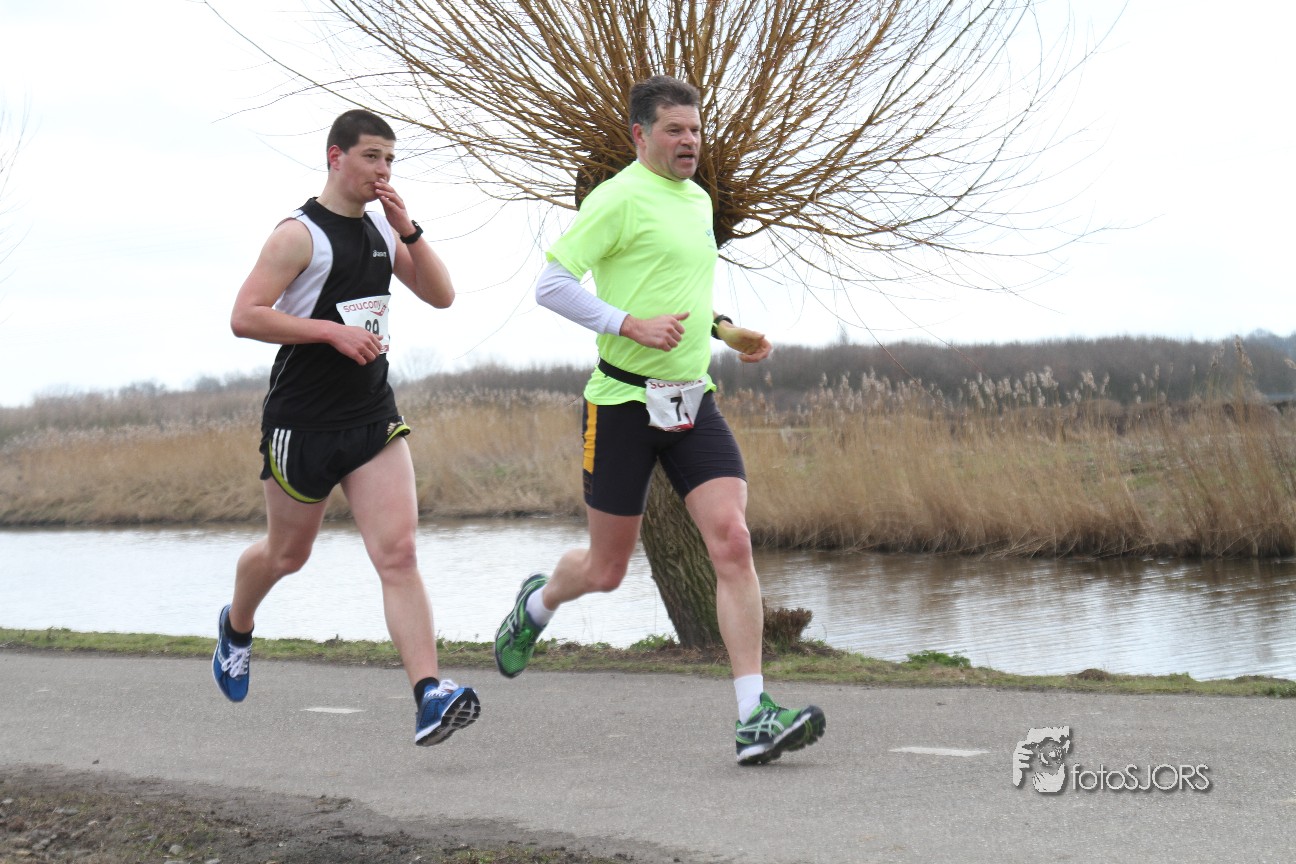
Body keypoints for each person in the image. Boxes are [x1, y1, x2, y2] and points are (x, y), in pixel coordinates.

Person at [492, 75, 826, 765]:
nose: (689, 142)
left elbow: (680, 290)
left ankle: (753, 716)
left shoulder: (699, 201)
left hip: (692, 399)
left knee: (733, 540)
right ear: (640, 136)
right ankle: (536, 605)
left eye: (696, 130)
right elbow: (551, 285)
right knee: (606, 569)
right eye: (675, 130)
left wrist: (724, 330)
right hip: (620, 402)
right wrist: (627, 324)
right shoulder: (616, 199)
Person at [212, 109, 480, 747]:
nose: (382, 170)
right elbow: (245, 316)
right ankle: (236, 626)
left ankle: (428, 694)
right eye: (371, 157)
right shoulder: (297, 235)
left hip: (371, 417)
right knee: (287, 555)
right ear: (336, 157)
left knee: (399, 553)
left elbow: (441, 295)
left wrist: (410, 230)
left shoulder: (385, 229)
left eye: (390, 159)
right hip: (301, 423)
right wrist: (330, 332)